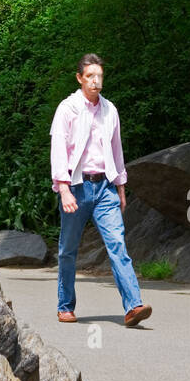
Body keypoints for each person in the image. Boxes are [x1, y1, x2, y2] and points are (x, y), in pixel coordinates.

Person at [50, 53, 152, 328]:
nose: (96, 81)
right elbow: (59, 149)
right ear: (80, 78)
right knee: (68, 250)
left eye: (100, 76)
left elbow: (116, 151)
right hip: (77, 186)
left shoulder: (110, 110)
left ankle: (133, 306)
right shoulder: (68, 109)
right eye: (90, 76)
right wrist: (64, 189)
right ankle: (65, 306)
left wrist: (120, 188)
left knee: (117, 245)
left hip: (105, 187)